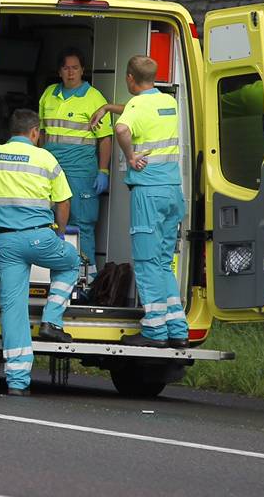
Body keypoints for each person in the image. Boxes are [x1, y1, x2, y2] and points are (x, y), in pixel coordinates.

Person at [0, 108, 81, 396]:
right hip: (40, 238)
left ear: (11, 130)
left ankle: (17, 380)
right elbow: (63, 202)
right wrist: (59, 233)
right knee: (71, 262)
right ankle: (52, 320)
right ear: (35, 132)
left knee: (13, 309)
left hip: (5, 243)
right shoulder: (45, 158)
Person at [90, 56, 188, 349]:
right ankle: (177, 328)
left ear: (130, 78)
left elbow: (122, 129)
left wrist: (130, 156)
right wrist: (109, 107)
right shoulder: (168, 102)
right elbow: (139, 111)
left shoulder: (136, 106)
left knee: (146, 263)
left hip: (149, 192)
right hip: (173, 192)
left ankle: (155, 331)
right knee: (163, 263)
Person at [38, 47, 112, 286]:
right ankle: (51, 278)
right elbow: (41, 133)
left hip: (81, 172)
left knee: (82, 224)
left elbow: (105, 138)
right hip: (51, 170)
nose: (71, 73)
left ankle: (87, 280)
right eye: (66, 68)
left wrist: (103, 170)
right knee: (48, 222)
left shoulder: (94, 98)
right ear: (59, 71)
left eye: (75, 68)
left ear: (83, 70)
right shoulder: (48, 94)